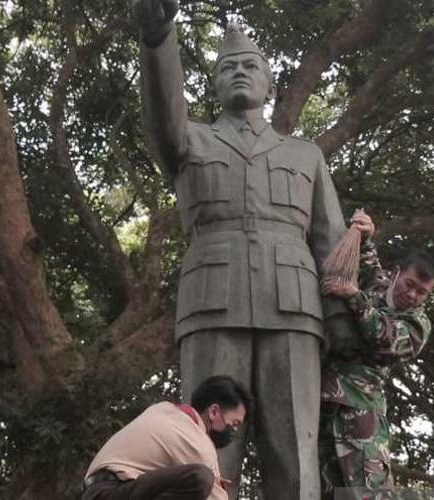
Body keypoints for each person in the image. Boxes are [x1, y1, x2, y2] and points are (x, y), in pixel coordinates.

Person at [133, 2, 353, 498]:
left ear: (269, 85)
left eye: (249, 66)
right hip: (213, 302)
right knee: (205, 449)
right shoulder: (190, 141)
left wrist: (342, 321)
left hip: (295, 309)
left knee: (294, 447)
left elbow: (332, 241)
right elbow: (162, 116)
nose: (238, 73)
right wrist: (156, 36)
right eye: (227, 67)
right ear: (212, 85)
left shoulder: (306, 155)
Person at [319, 212, 434, 500]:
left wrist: (353, 296)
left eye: (422, 293)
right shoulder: (378, 284)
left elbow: (382, 336)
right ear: (397, 273)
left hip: (362, 419)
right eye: (410, 285)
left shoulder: (417, 325)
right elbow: (367, 258)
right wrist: (366, 232)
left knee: (369, 493)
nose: (412, 296)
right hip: (323, 408)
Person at [82, 375, 253, 500]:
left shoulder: (162, 410)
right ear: (214, 411)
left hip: (98, 491)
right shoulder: (194, 438)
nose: (233, 431)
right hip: (111, 493)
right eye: (234, 423)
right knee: (199, 477)